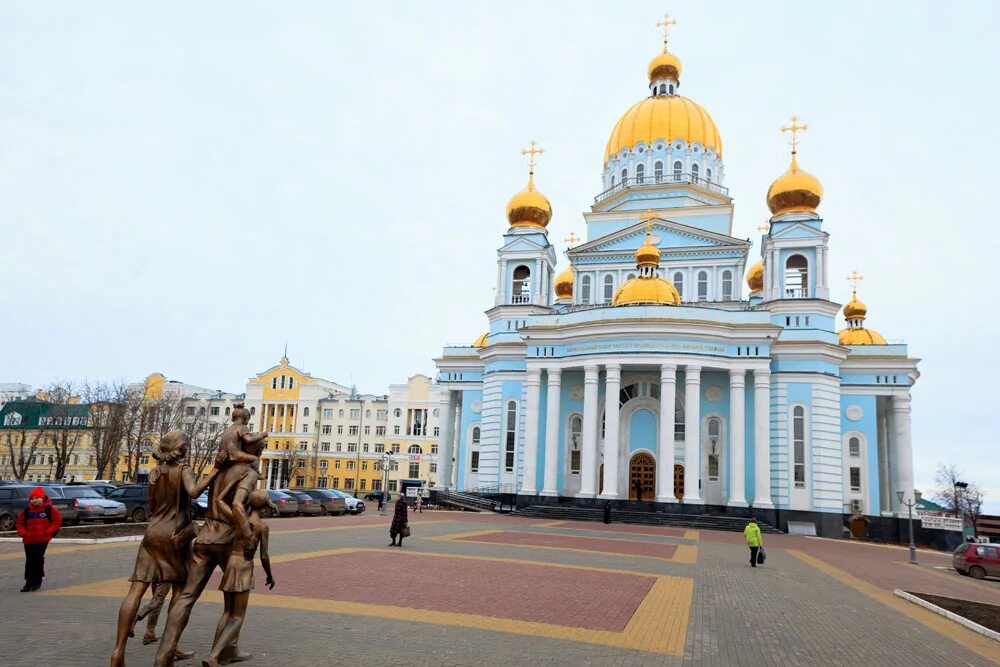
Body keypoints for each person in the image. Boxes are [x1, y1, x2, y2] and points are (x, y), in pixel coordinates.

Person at [154, 428, 265, 667]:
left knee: (186, 597)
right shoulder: (248, 472)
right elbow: (235, 505)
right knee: (235, 605)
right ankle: (222, 653)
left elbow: (206, 497)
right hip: (229, 543)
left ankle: (163, 657)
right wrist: (246, 533)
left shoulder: (220, 468)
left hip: (205, 538)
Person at [111, 430, 217, 667]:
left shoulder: (154, 473)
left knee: (136, 591)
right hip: (175, 536)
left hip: (152, 533)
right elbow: (194, 492)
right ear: (182, 448)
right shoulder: (183, 470)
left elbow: (152, 506)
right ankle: (169, 650)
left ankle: (118, 652)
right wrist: (215, 471)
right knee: (179, 594)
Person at [202, 489, 276, 667]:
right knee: (238, 616)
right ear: (266, 505)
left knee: (227, 612)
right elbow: (264, 556)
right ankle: (214, 655)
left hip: (231, 564)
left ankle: (221, 654)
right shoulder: (262, 526)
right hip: (244, 566)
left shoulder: (239, 519)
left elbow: (220, 502)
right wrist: (269, 575)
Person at [15, 486, 62, 592]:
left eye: (37, 498)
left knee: (38, 559)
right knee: (30, 561)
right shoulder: (27, 511)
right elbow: (19, 523)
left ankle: (36, 581)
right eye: (32, 498)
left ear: (42, 498)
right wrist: (23, 533)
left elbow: (57, 522)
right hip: (29, 540)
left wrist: (48, 532)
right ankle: (28, 583)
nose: (34, 500)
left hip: (42, 540)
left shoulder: (50, 509)